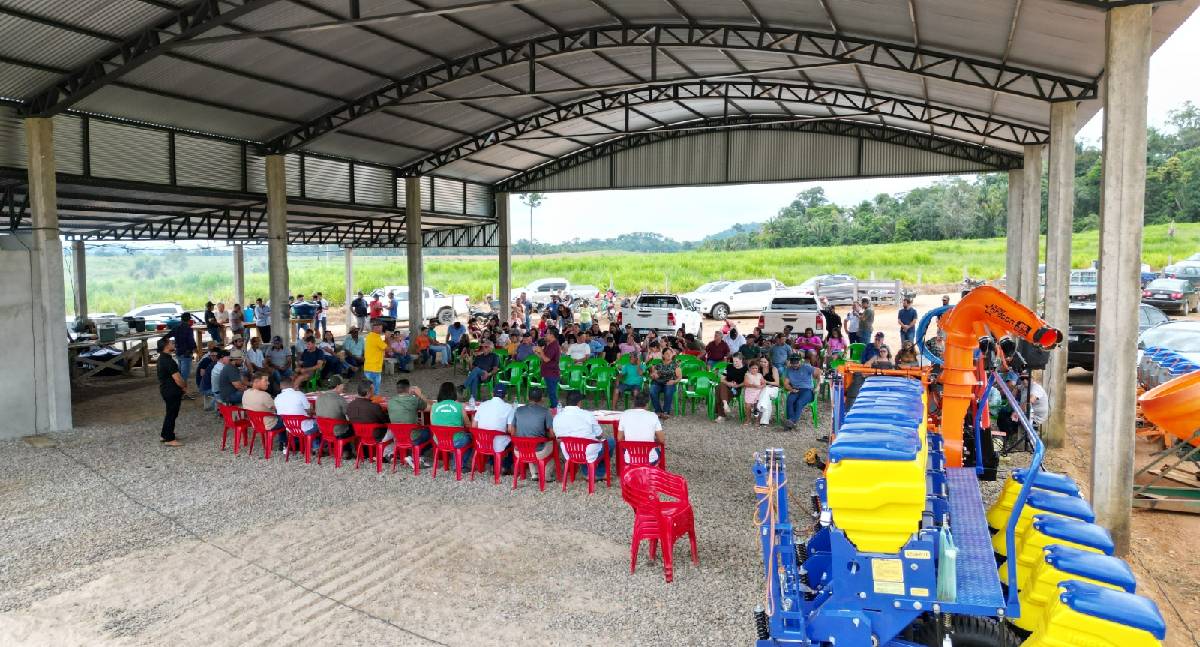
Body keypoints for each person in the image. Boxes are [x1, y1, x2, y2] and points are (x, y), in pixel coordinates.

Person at [553, 390, 614, 478]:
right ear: (579, 402)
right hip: (587, 451)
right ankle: (599, 472)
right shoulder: (587, 415)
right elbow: (600, 434)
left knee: (585, 446)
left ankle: (588, 471)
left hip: (569, 452)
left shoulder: (557, 417)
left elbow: (558, 438)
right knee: (611, 442)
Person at [511, 387, 556, 478]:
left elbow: (512, 432)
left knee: (528, 440)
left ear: (528, 397)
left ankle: (534, 473)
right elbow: (552, 434)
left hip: (519, 451)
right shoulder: (545, 412)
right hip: (538, 452)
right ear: (542, 399)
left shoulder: (518, 410)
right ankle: (546, 474)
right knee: (555, 445)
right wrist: (544, 435)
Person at [388, 379, 433, 467]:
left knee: (419, 428)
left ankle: (413, 455)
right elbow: (431, 407)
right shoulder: (414, 400)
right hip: (412, 437)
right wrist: (420, 394)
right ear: (409, 389)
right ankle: (417, 455)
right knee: (431, 432)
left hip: (397, 437)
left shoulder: (391, 401)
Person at [430, 381, 473, 467]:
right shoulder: (459, 406)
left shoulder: (434, 406)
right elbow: (469, 426)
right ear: (454, 393)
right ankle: (459, 465)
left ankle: (453, 462)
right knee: (471, 438)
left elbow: (433, 423)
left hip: (439, 441)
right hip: (456, 441)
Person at [242, 371, 287, 451]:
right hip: (269, 424)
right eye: (265, 380)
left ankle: (283, 443)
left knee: (281, 417)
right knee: (288, 418)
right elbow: (278, 409)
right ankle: (291, 443)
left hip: (255, 424)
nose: (268, 383)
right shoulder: (264, 395)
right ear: (256, 381)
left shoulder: (246, 393)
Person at [617, 392, 664, 464]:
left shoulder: (625, 414)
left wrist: (629, 441)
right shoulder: (653, 415)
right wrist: (652, 440)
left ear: (634, 402)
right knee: (657, 450)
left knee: (624, 449)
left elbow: (619, 438)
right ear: (647, 404)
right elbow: (661, 440)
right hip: (649, 460)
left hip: (629, 460)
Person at [474, 383, 516, 460]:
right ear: (506, 395)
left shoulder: (482, 405)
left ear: (492, 393)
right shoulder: (509, 407)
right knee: (513, 441)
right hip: (498, 446)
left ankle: (491, 462)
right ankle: (506, 466)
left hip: (482, 443)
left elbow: (474, 426)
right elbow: (510, 430)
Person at [156, 336, 185, 447]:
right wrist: (184, 386)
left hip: (166, 390)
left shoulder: (162, 358)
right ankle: (169, 438)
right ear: (166, 346)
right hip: (171, 391)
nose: (173, 344)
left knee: (170, 413)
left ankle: (165, 434)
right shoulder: (168, 360)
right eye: (171, 343)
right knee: (172, 414)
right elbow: (177, 378)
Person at [275, 374, 317, 443]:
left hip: (289, 428)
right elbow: (310, 411)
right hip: (304, 428)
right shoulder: (299, 394)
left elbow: (279, 413)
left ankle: (300, 443)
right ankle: (317, 446)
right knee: (320, 422)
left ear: (280, 386)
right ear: (292, 384)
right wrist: (311, 406)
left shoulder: (277, 398)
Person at [782, 354, 820, 430]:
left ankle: (792, 421)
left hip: (807, 390)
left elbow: (818, 372)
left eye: (796, 363)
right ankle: (791, 422)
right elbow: (786, 384)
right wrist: (791, 389)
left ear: (800, 361)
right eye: (793, 363)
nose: (795, 365)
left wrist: (818, 385)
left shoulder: (806, 367)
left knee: (799, 402)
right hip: (795, 389)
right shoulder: (788, 370)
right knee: (790, 400)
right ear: (790, 363)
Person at [314, 375, 351, 444]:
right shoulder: (340, 399)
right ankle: (347, 450)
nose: (343, 387)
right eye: (342, 385)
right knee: (354, 427)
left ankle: (340, 449)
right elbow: (349, 415)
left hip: (323, 431)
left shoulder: (319, 397)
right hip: (338, 432)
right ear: (338, 386)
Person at [648, 347, 682, 417]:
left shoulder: (675, 365)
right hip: (658, 383)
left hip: (669, 383)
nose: (669, 355)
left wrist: (674, 381)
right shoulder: (659, 365)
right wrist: (653, 375)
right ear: (663, 355)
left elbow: (679, 377)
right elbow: (653, 374)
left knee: (668, 391)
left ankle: (666, 411)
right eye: (666, 353)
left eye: (670, 353)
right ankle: (658, 411)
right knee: (652, 391)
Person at [534, 328, 562, 409]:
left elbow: (546, 359)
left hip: (552, 374)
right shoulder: (549, 344)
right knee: (551, 393)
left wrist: (541, 351)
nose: (545, 335)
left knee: (552, 394)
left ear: (552, 335)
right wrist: (537, 353)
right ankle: (554, 408)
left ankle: (555, 409)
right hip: (548, 373)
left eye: (547, 333)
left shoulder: (554, 345)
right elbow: (543, 358)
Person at [716, 354, 749, 422]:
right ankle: (725, 405)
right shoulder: (729, 366)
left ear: (741, 360)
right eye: (733, 361)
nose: (734, 363)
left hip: (737, 389)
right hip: (727, 386)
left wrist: (737, 385)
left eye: (736, 361)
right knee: (721, 385)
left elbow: (746, 382)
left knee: (719, 389)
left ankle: (721, 414)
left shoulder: (746, 369)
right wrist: (729, 383)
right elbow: (722, 379)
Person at [172, 312, 197, 398]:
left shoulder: (177, 327)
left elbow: (169, 335)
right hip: (186, 354)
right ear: (189, 320)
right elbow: (191, 341)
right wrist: (195, 349)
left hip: (178, 353)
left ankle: (179, 392)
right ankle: (183, 393)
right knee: (184, 376)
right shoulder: (188, 329)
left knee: (180, 374)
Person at [362, 321, 389, 395]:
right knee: (375, 391)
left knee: (368, 390)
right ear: (376, 328)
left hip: (368, 366)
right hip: (375, 367)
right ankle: (374, 404)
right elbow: (388, 349)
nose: (382, 329)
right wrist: (387, 338)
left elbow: (379, 346)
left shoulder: (370, 336)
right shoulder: (377, 338)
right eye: (381, 327)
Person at [754, 357, 781, 426]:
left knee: (767, 389)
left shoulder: (773, 369)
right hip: (763, 391)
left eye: (765, 362)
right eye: (761, 361)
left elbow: (777, 383)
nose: (763, 363)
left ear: (769, 362)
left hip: (774, 389)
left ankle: (758, 408)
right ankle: (764, 421)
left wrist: (767, 382)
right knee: (766, 398)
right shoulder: (758, 370)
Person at [741, 361, 765, 427]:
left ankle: (757, 420)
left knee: (757, 406)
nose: (754, 370)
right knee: (747, 406)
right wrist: (754, 386)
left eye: (756, 368)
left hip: (758, 392)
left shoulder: (760, 375)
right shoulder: (747, 375)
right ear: (749, 368)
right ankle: (748, 419)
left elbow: (763, 383)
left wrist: (761, 386)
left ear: (758, 369)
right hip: (749, 392)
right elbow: (746, 383)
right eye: (753, 368)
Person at [195, 346, 219, 411]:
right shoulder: (206, 361)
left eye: (215, 355)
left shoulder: (213, 362)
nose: (213, 357)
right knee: (221, 391)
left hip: (205, 384)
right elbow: (202, 374)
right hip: (202, 384)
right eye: (212, 355)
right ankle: (212, 406)